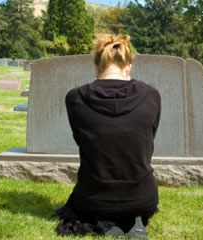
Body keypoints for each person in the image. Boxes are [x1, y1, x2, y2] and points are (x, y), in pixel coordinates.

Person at [54, 34, 161, 238]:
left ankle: (108, 223)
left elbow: (83, 141)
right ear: (128, 64)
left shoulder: (75, 98)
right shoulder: (152, 95)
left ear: (97, 65)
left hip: (93, 201)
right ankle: (133, 221)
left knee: (88, 207)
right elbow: (147, 141)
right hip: (144, 200)